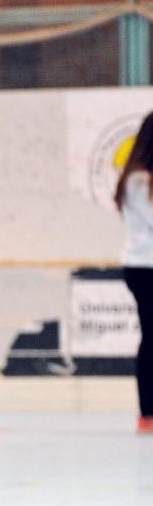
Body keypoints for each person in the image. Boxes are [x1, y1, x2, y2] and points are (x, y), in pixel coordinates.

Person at [114, 110, 153, 434]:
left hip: (142, 265)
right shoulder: (139, 181)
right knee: (152, 337)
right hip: (146, 266)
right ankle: (148, 412)